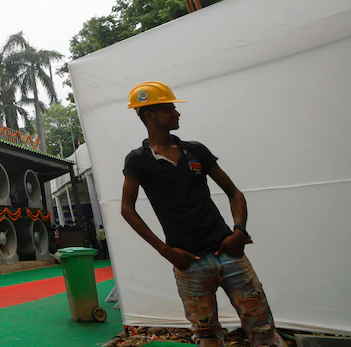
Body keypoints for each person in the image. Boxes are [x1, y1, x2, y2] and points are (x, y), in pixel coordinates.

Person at [120, 82, 283, 347]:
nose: (177, 113)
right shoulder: (138, 160)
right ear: (149, 114)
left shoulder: (195, 150)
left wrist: (239, 231)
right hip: (189, 263)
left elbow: (235, 194)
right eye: (169, 107)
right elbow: (127, 209)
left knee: (261, 325)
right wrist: (165, 250)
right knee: (206, 336)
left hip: (228, 254)